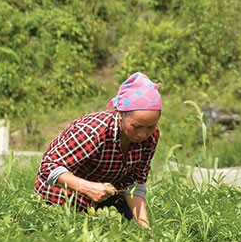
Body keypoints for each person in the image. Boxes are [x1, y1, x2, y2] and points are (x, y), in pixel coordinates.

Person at [34, 72, 162, 232]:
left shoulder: (151, 138)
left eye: (150, 127)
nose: (143, 134)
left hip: (102, 198)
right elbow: (48, 167)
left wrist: (145, 228)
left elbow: (135, 183)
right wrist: (87, 188)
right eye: (136, 126)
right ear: (120, 114)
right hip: (63, 195)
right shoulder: (93, 132)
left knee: (125, 235)